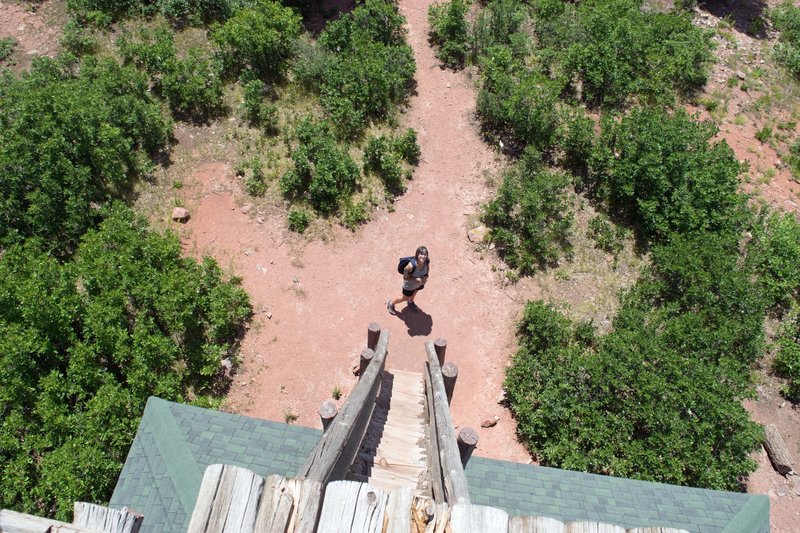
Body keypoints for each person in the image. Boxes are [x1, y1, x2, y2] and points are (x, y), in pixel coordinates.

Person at [387, 246, 429, 314]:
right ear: (417, 254)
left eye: (425, 254)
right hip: (409, 285)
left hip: (419, 284)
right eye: (421, 254)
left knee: (415, 292)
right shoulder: (410, 266)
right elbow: (405, 277)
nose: (423, 256)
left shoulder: (426, 261)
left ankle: (410, 302)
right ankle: (391, 303)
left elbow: (427, 268)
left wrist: (426, 276)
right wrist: (417, 279)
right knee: (405, 298)